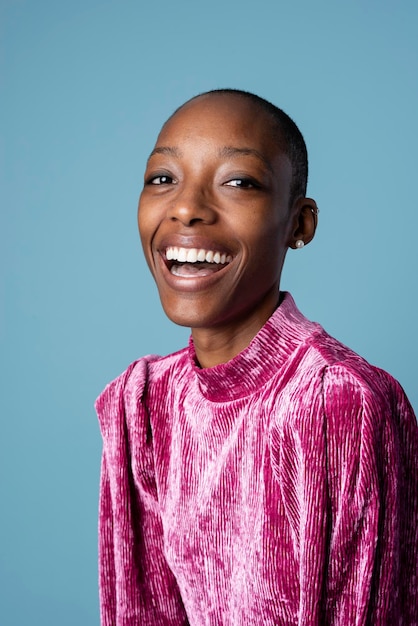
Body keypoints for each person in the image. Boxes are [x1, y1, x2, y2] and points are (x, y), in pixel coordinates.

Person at [95, 89, 418, 625]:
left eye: (239, 182)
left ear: (300, 224)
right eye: (162, 178)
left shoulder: (344, 402)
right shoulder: (141, 403)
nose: (186, 208)